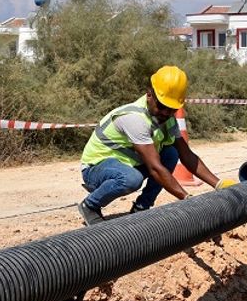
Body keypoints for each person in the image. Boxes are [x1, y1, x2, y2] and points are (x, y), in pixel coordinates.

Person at [77, 65, 236, 225]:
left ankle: (141, 207)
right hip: (96, 168)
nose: (166, 113)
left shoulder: (167, 119)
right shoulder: (135, 118)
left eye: (172, 109)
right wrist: (186, 199)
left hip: (128, 164)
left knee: (171, 153)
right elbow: (155, 169)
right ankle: (90, 206)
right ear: (149, 94)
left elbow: (186, 155)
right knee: (132, 179)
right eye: (162, 106)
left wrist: (219, 184)